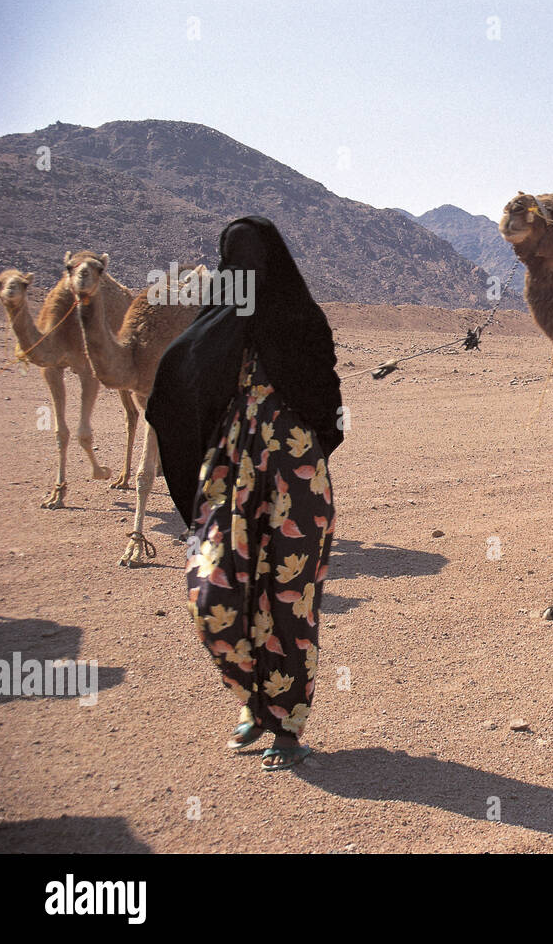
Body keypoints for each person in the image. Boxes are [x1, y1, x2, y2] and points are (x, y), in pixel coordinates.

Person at [147, 217, 344, 771]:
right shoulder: (214, 323)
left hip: (296, 478)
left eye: (252, 259)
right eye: (234, 261)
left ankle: (286, 726)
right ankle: (252, 702)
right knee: (213, 592)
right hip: (228, 473)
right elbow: (177, 383)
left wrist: (298, 443)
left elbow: (327, 397)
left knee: (287, 600)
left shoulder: (303, 319)